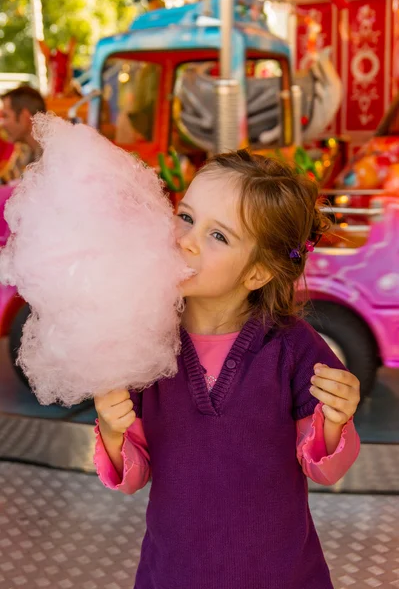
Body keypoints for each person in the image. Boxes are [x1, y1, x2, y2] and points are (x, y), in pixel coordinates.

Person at [94, 150, 361, 589]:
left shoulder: (294, 350)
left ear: (257, 273)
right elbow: (133, 478)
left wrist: (334, 421)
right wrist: (110, 426)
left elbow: (324, 469)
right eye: (185, 216)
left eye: (218, 235)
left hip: (280, 576)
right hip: (172, 575)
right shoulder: (144, 342)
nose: (187, 240)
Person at [0, 85, 46, 181]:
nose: (3, 124)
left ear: (25, 117)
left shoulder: (52, 156)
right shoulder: (28, 151)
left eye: (6, 116)